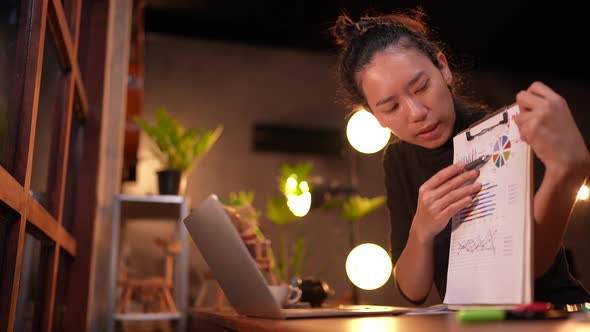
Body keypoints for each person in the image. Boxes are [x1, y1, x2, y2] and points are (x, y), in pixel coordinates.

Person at [330, 9, 590, 305]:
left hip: (551, 315)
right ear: (375, 117)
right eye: (391, 108)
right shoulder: (398, 159)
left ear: (443, 69)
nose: (416, 113)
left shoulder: (507, 134)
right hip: (470, 322)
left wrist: (565, 173)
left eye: (422, 87)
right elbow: (412, 291)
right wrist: (422, 229)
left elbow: (534, 266)